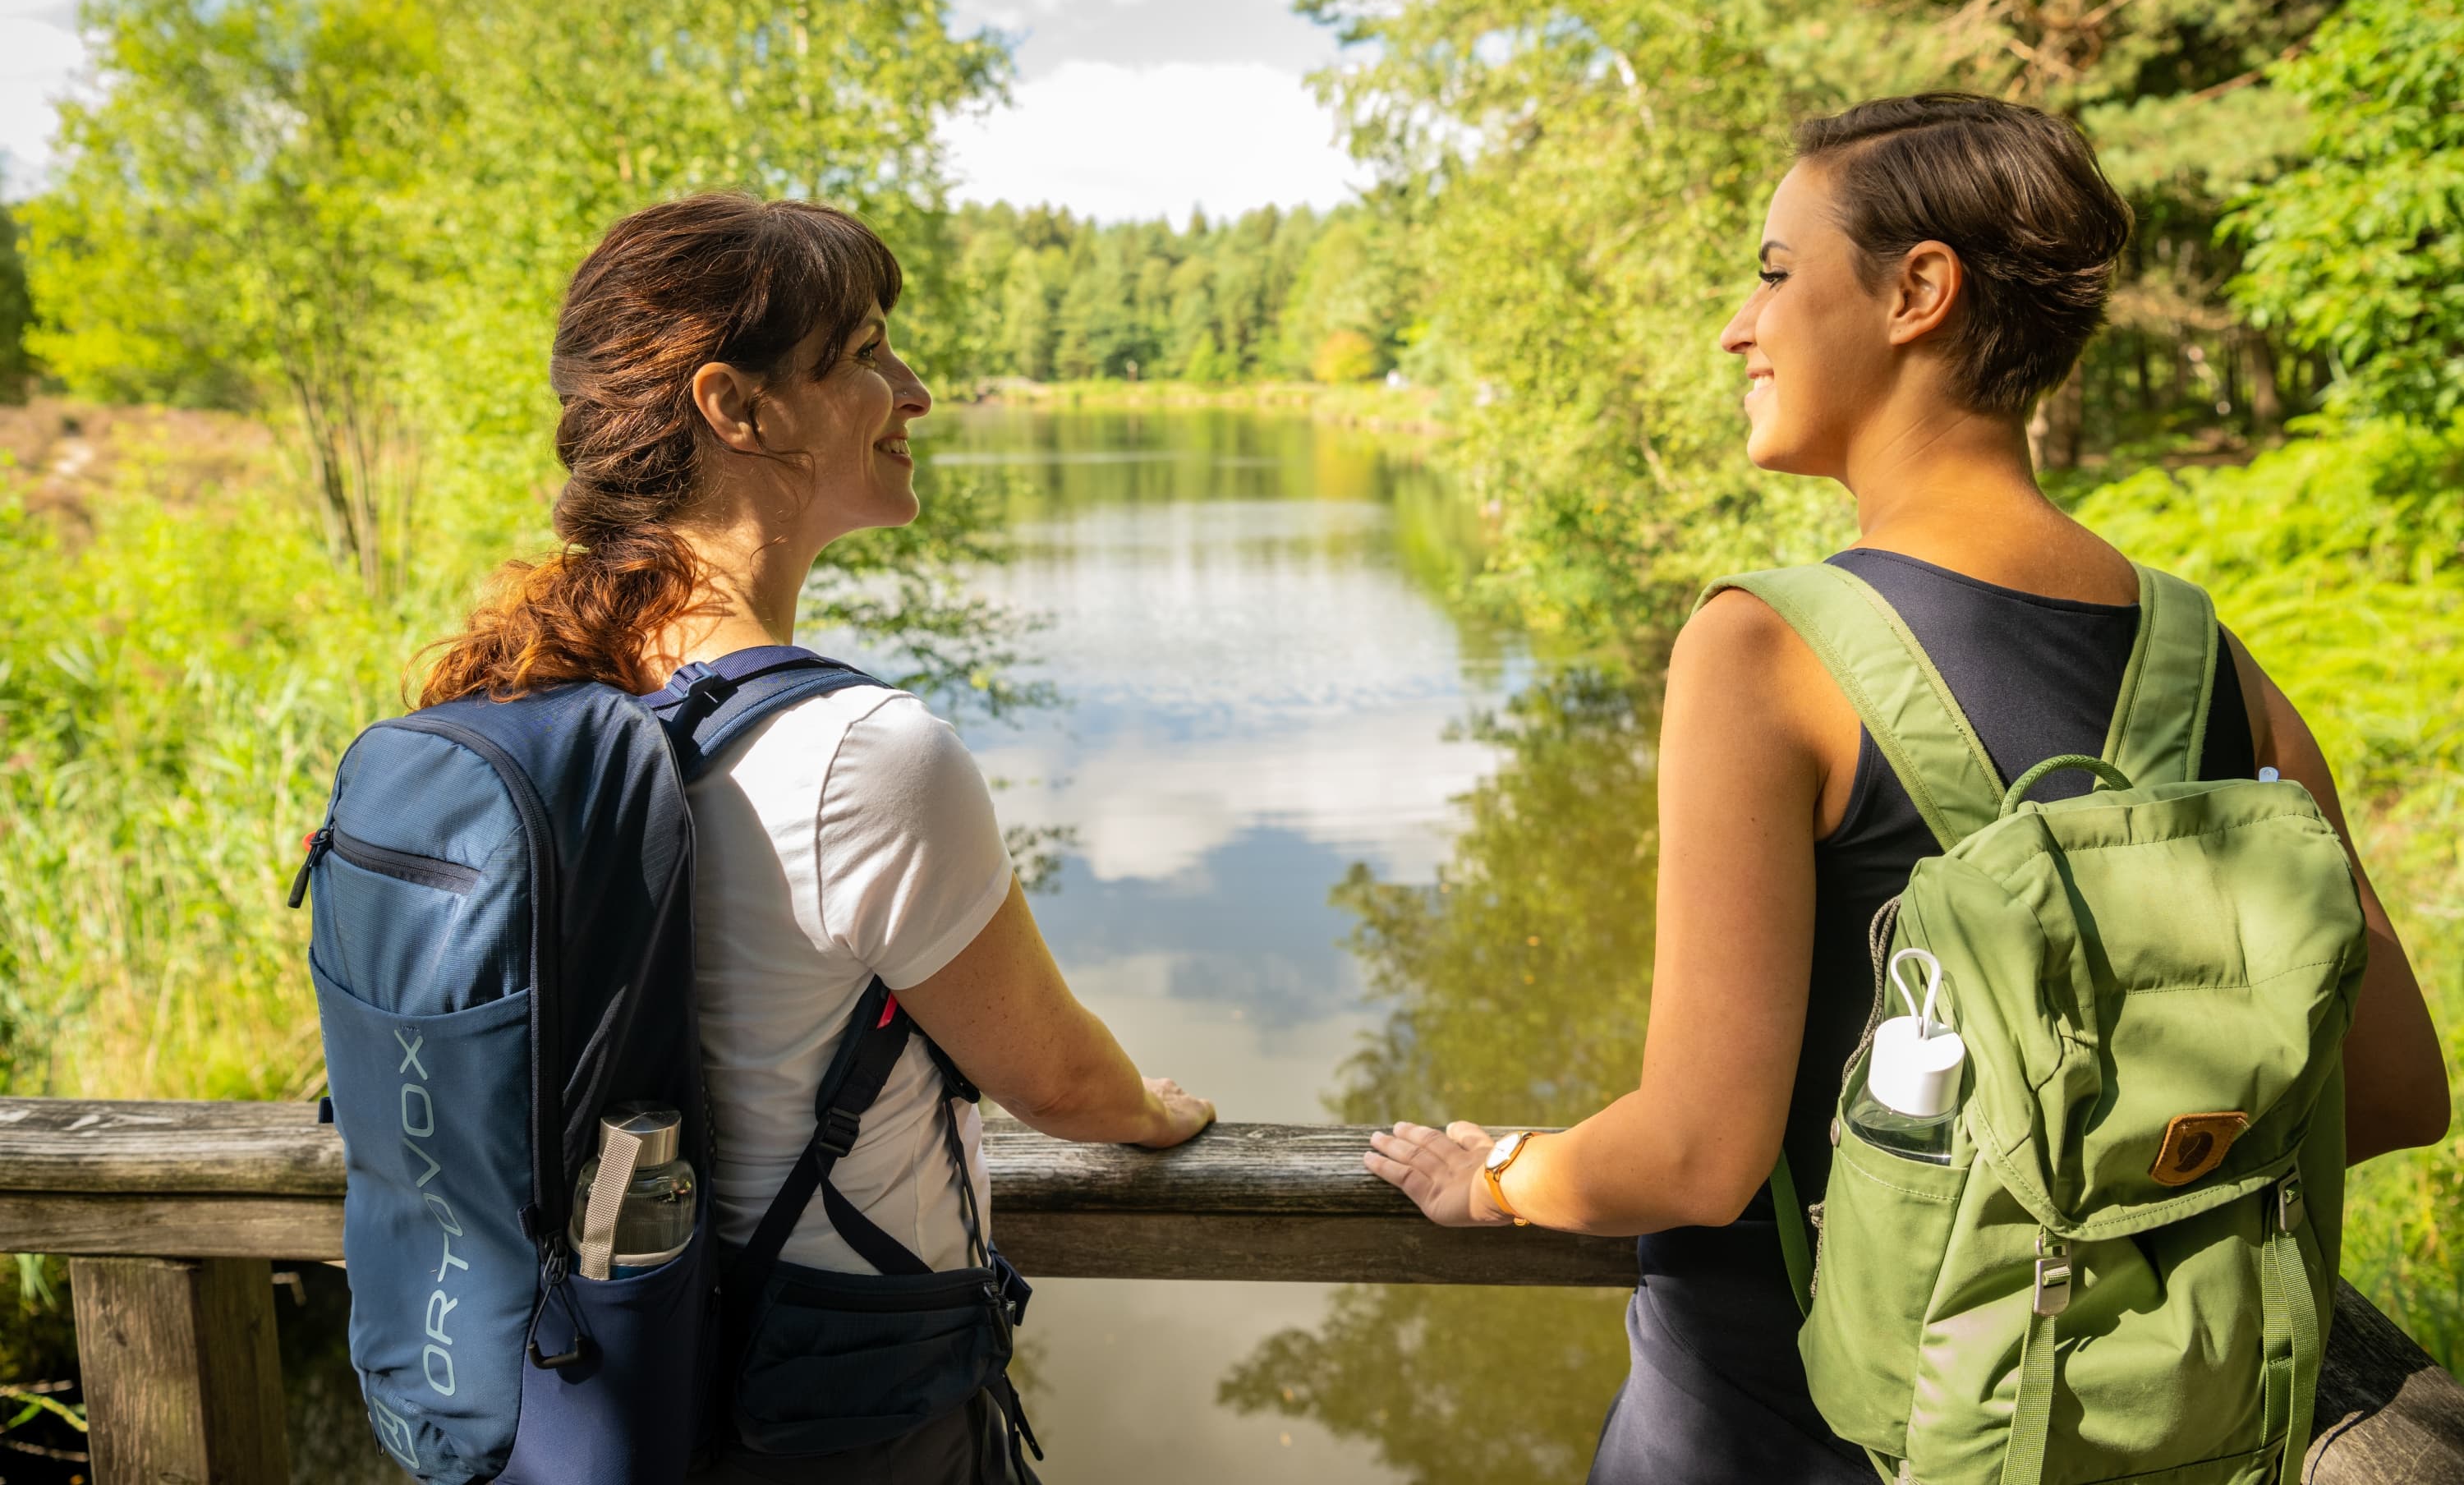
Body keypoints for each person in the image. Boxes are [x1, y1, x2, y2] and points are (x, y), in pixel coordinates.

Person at [1359, 93, 2450, 1481]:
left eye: (1771, 273)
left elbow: (1698, 1153)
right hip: (2123, 1428)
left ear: (1917, 291)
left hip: (1788, 1426)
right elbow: (2402, 1092)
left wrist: (1499, 1178)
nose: (1736, 328)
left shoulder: (1764, 647)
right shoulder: (2212, 663)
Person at [419, 194, 1214, 1483]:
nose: (916, 393)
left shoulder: (524, 696)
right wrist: (1156, 1112)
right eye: (863, 357)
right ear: (738, 409)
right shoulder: (865, 755)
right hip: (831, 1404)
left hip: (572, 1379)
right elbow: (1061, 1085)